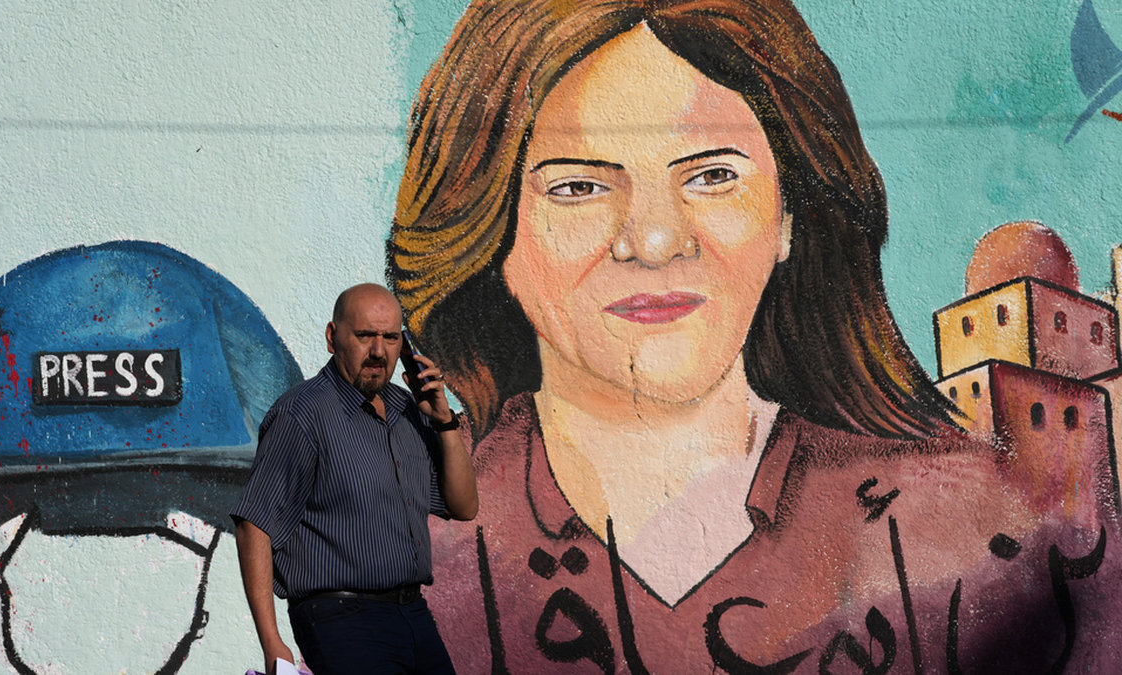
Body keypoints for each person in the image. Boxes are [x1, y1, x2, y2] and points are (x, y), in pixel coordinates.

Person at [388, 0, 1121, 671]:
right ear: (494, 234)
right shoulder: (407, 547)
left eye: (711, 176)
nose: (654, 240)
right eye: (578, 187)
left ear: (788, 216)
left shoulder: (984, 536)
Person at [230, 283, 477, 675]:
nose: (379, 351)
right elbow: (253, 525)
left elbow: (463, 507)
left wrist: (445, 423)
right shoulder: (302, 414)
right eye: (365, 336)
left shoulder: (407, 409)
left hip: (413, 613)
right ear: (333, 338)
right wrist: (272, 642)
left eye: (391, 338)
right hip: (341, 620)